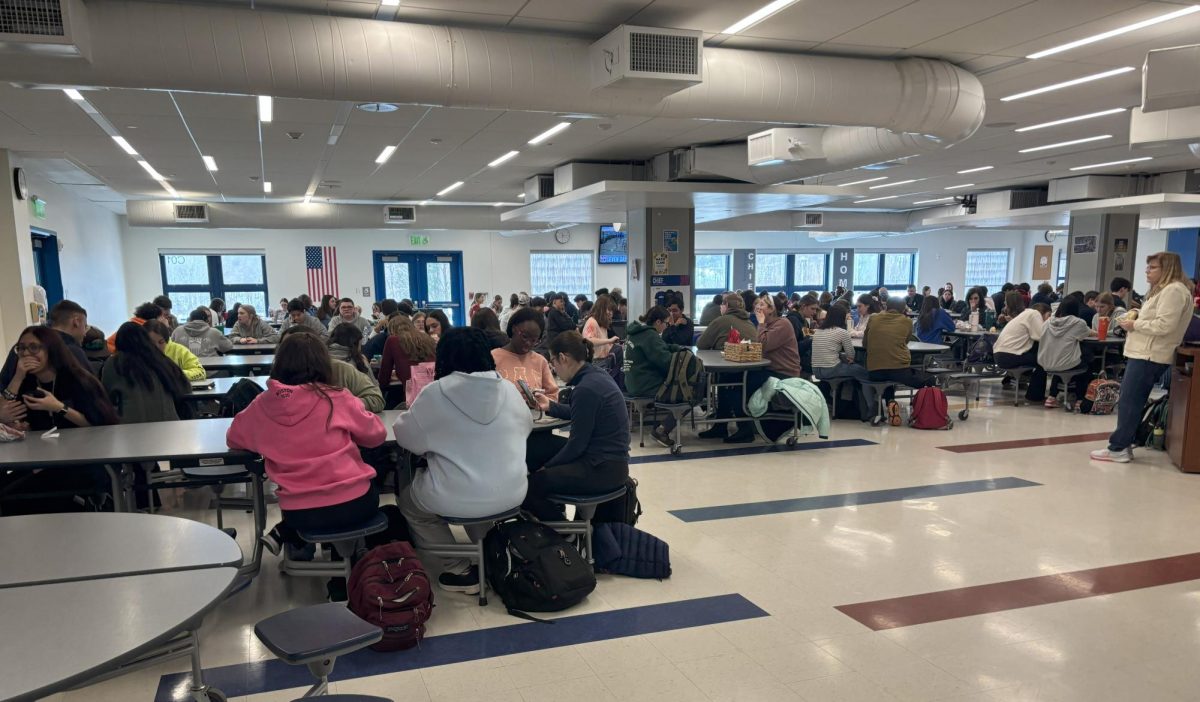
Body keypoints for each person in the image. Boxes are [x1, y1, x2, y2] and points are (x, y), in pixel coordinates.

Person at [227, 331, 386, 597]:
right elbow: (376, 436)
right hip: (355, 503)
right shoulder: (337, 397)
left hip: (300, 512)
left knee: (318, 505)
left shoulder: (261, 406)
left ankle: (299, 545)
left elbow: (234, 438)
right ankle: (352, 567)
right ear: (324, 363)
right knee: (354, 495)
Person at [392, 327, 532, 593]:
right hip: (513, 493)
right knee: (479, 491)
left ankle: (458, 567)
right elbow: (525, 428)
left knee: (411, 504)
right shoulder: (509, 389)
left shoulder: (435, 393)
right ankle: (493, 554)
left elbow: (405, 438)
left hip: (457, 495)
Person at [1092, 252, 1194, 463]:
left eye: (1153, 267)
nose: (1147, 271)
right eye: (1148, 267)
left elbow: (1166, 325)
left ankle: (1118, 447)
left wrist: (1135, 324)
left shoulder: (1174, 290)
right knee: (1133, 401)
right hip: (1144, 352)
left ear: (1167, 269)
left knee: (1130, 401)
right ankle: (1125, 444)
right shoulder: (1163, 291)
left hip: (1149, 354)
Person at [526, 332, 630, 520]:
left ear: (563, 358)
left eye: (553, 362)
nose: (553, 368)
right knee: (538, 447)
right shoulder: (595, 375)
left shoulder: (586, 389)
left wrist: (547, 468)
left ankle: (563, 533)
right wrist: (550, 406)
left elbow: (576, 446)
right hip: (611, 462)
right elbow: (582, 413)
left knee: (531, 486)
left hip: (602, 469)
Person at [2, 326, 119, 431]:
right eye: (21, 348)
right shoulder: (25, 382)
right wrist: (17, 377)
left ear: (50, 350)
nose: (26, 354)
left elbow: (99, 426)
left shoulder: (78, 380)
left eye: (34, 347)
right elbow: (4, 412)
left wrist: (59, 407)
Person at [624, 306, 689, 448]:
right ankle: (662, 430)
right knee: (689, 393)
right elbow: (666, 362)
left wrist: (675, 348)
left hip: (633, 382)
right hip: (646, 385)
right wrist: (680, 357)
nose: (666, 327)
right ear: (658, 322)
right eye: (666, 323)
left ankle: (661, 427)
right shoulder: (650, 336)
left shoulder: (637, 333)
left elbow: (662, 348)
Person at [102, 322, 190, 423]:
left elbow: (106, 397)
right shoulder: (161, 359)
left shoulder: (115, 363)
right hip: (169, 425)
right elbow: (185, 387)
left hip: (130, 428)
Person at [0, 300, 91, 384]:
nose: (85, 333)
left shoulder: (20, 348)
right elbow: (93, 394)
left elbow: (2, 387)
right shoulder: (72, 351)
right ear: (76, 321)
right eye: (85, 326)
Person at [863, 298, 935, 399]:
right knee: (926, 378)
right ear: (903, 309)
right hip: (899, 371)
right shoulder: (907, 322)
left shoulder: (873, 318)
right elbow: (905, 341)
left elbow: (865, 343)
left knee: (886, 377)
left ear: (886, 306)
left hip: (874, 371)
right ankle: (933, 388)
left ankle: (890, 405)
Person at [1037, 297, 1096, 410]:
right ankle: (1080, 400)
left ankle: (1051, 397)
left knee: (1060, 365)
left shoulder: (1047, 322)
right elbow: (1089, 333)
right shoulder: (1078, 323)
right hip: (1067, 363)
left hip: (1047, 363)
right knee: (1084, 365)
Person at [992, 292, 1050, 403]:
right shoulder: (1034, 314)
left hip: (999, 355)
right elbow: (1039, 336)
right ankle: (1035, 396)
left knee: (1035, 354)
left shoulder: (1022, 316)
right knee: (1043, 360)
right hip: (1009, 356)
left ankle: (1021, 379)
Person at [493, 308, 559, 402]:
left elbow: (553, 396)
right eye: (524, 336)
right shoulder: (493, 358)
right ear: (513, 328)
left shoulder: (540, 361)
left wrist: (539, 400)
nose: (528, 343)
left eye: (534, 340)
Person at [377, 316, 436, 408]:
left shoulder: (392, 340)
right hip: (433, 387)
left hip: (413, 392)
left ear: (391, 329)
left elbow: (384, 374)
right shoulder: (427, 338)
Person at [811, 302, 869, 385]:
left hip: (816, 370)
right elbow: (851, 355)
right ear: (842, 318)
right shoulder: (842, 332)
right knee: (861, 371)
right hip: (831, 369)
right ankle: (861, 397)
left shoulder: (817, 332)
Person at [582, 294, 620, 360]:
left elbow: (603, 345)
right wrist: (609, 341)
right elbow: (588, 341)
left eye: (612, 311)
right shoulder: (592, 322)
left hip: (603, 361)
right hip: (596, 362)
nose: (611, 313)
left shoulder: (602, 324)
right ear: (602, 309)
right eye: (609, 310)